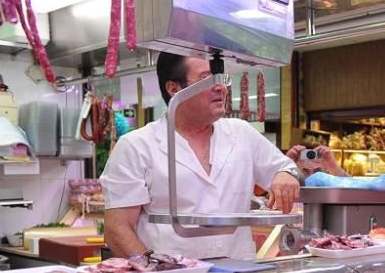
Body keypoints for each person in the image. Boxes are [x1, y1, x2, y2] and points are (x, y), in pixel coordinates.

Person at [101, 53, 300, 260]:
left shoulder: (242, 133)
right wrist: (154, 271)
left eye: (221, 78)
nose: (221, 88)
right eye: (206, 79)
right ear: (174, 89)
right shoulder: (136, 146)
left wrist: (287, 173)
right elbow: (118, 229)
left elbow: (287, 168)